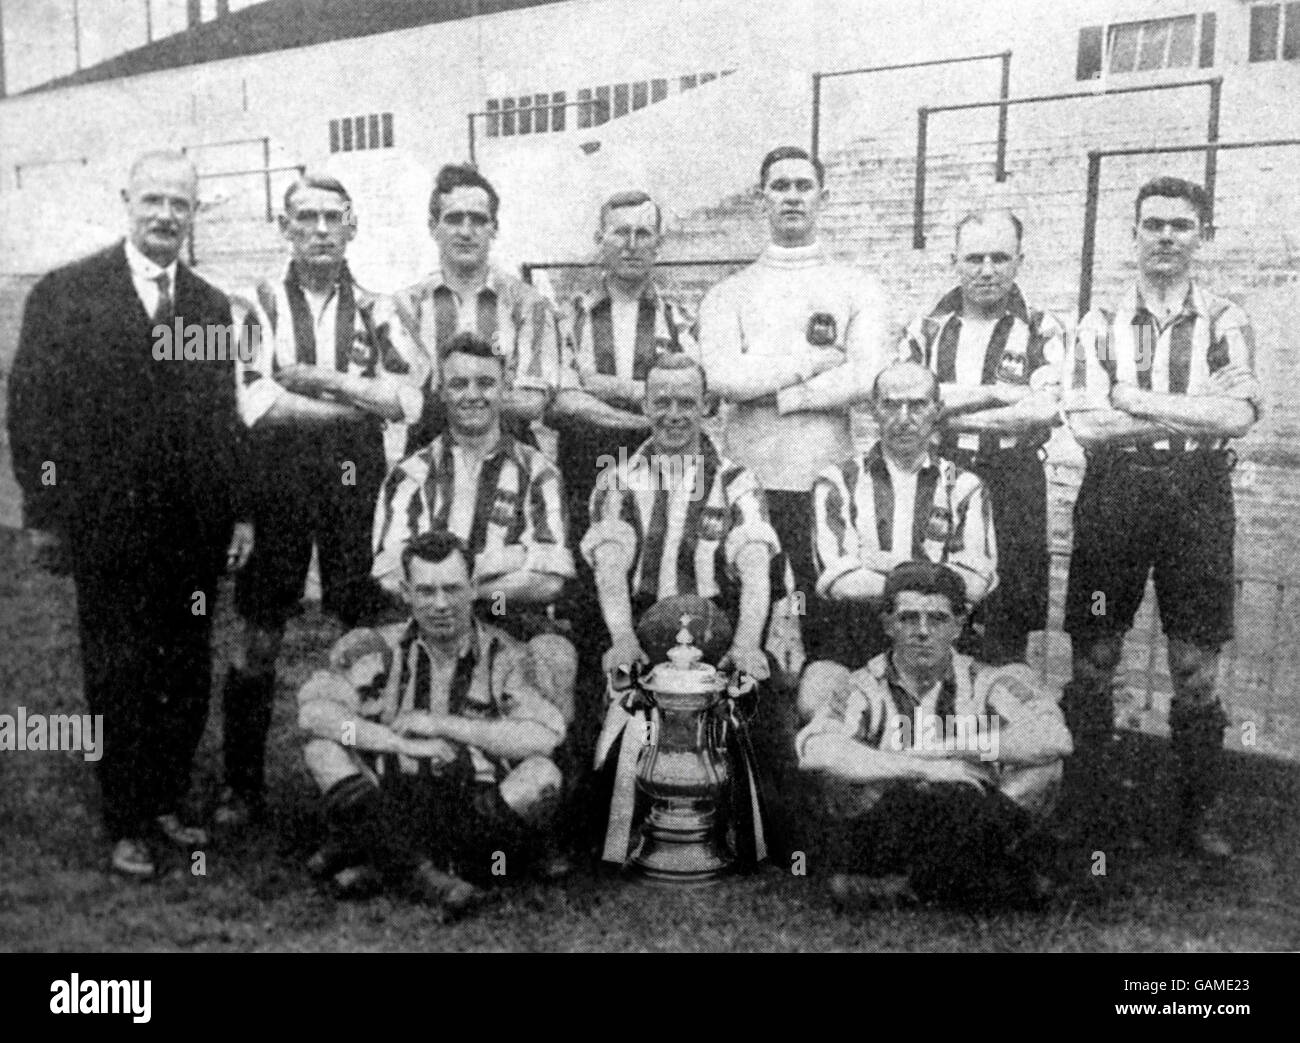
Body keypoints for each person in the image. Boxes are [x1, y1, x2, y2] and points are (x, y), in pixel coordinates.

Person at [7, 150, 253, 878]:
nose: (165, 216)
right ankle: (126, 819)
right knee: (117, 671)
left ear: (194, 213)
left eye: (180, 203)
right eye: (153, 200)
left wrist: (237, 512)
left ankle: (168, 799)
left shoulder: (209, 306)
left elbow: (220, 418)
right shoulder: (67, 293)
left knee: (183, 666)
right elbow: (32, 409)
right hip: (106, 527)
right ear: (126, 200)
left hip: (191, 533)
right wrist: (44, 511)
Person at [217, 174, 429, 829]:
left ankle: (368, 775)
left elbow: (410, 396)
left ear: (352, 225)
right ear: (284, 226)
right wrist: (353, 400)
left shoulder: (378, 306)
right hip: (274, 479)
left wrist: (314, 378)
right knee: (260, 630)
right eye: (304, 217)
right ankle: (242, 787)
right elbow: (257, 401)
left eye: (331, 217)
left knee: (360, 626)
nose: (318, 229)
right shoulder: (252, 304)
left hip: (353, 479)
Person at [1061, 176, 1261, 858]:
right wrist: (1182, 406)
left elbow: (1237, 414)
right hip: (1116, 492)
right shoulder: (1098, 321)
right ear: (1135, 233)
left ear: (1201, 234)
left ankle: (1197, 811)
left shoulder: (1227, 319)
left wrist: (1136, 399)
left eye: (1181, 224)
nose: (1167, 236)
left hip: (1198, 494)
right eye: (1154, 224)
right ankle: (1083, 799)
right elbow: (1087, 424)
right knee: (1094, 653)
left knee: (1196, 662)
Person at [297, 529, 572, 915]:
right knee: (323, 750)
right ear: (405, 592)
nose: (441, 604)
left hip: (473, 807)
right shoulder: (378, 646)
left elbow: (541, 738)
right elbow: (315, 715)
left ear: (474, 588)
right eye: (426, 591)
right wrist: (398, 743)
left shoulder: (507, 655)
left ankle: (384, 860)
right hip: (393, 796)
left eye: (452, 589)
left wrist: (442, 726)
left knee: (542, 776)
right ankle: (425, 876)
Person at [370, 332, 577, 836]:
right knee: (370, 656)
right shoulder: (411, 473)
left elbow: (549, 579)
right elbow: (388, 568)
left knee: (555, 654)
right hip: (428, 608)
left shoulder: (538, 471)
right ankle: (392, 809)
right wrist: (507, 556)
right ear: (440, 390)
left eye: (486, 383)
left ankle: (544, 816)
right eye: (459, 383)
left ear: (505, 389)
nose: (472, 394)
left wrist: (467, 583)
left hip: (505, 608)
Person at [698, 145, 891, 679]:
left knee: (828, 621)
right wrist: (811, 363)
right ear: (763, 198)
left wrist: (781, 395)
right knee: (743, 622)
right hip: (746, 482)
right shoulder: (728, 293)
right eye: (779, 186)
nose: (791, 196)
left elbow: (867, 376)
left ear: (822, 197)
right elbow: (720, 378)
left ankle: (827, 737)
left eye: (802, 186)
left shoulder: (857, 286)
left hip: (824, 481)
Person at [581, 354, 782, 864]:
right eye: (662, 402)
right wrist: (623, 639)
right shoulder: (619, 480)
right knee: (603, 708)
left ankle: (764, 838)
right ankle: (599, 835)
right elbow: (609, 566)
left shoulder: (738, 480)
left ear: (707, 407)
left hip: (716, 627)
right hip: (644, 624)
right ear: (645, 405)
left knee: (759, 710)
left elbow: (757, 568)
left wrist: (745, 646)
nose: (673, 414)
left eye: (686, 403)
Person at [797, 561, 1072, 909]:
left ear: (959, 625)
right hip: (893, 818)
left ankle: (910, 887)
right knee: (836, 770)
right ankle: (981, 882)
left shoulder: (988, 681)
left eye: (938, 619)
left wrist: (949, 749)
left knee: (1045, 767)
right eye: (908, 618)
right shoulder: (862, 686)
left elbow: (1056, 736)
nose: (923, 632)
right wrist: (922, 768)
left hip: (976, 813)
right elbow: (815, 749)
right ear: (887, 624)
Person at [900, 208, 1066, 665]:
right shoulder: (925, 329)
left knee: (1007, 621)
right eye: (974, 257)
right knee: (931, 608)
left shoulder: (1042, 327)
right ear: (954, 260)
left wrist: (943, 412)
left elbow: (1044, 409)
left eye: (1000, 257)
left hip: (1013, 480)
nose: (987, 270)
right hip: (939, 477)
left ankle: (996, 725)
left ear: (1020, 260)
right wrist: (996, 394)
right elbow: (906, 399)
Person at [804, 360, 997, 688]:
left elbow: (976, 583)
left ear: (938, 410)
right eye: (891, 405)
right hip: (860, 638)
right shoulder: (836, 481)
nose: (904, 418)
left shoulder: (966, 486)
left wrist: (879, 563)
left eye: (918, 405)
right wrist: (934, 572)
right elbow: (841, 582)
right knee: (816, 693)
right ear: (872, 410)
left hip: (941, 639)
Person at [390, 163, 561, 453]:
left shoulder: (529, 304)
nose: (466, 232)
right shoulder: (407, 306)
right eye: (454, 219)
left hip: (510, 454)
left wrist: (437, 398)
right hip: (429, 452)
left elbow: (532, 402)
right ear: (433, 227)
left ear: (494, 228)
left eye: (479, 220)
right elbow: (396, 396)